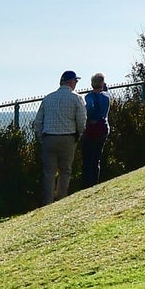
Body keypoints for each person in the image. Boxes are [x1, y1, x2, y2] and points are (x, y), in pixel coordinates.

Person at [36, 70, 88, 204]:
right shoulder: (77, 98)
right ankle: (61, 199)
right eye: (75, 81)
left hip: (49, 138)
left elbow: (38, 121)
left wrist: (41, 137)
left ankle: (48, 201)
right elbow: (81, 120)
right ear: (71, 82)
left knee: (49, 172)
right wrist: (79, 134)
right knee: (65, 170)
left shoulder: (48, 98)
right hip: (68, 138)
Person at [82, 72, 110, 188]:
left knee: (87, 157)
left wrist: (90, 118)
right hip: (102, 128)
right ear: (102, 83)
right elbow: (106, 91)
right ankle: (94, 182)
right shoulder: (106, 96)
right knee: (96, 158)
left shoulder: (89, 97)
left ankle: (86, 183)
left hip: (91, 129)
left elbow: (89, 109)